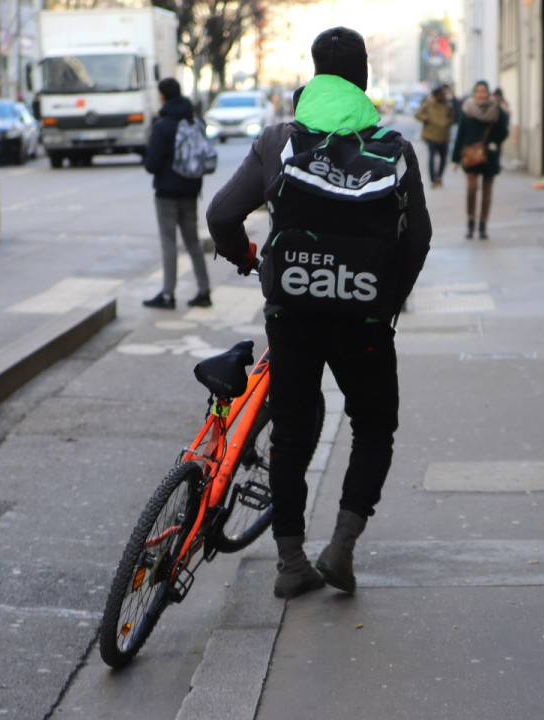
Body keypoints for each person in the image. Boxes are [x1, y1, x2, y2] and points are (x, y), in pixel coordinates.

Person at [206, 27, 432, 599]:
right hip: (363, 317)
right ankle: (342, 549)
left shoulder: (278, 140)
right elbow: (418, 239)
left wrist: (245, 257)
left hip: (292, 310)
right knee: (373, 425)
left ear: (315, 74)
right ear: (363, 78)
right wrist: (385, 302)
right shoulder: (394, 148)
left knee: (290, 430)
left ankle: (290, 562)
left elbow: (221, 215)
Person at [142, 78, 212, 309]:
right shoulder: (194, 120)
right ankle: (204, 291)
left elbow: (152, 164)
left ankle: (168, 295)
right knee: (193, 241)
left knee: (169, 242)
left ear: (162, 96)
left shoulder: (162, 125)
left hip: (166, 193)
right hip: (191, 190)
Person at [452, 80, 509, 240]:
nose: (481, 94)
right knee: (471, 189)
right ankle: (471, 221)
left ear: (487, 93)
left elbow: (504, 130)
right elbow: (460, 133)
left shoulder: (495, 108)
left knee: (487, 192)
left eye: (483, 91)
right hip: (471, 155)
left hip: (490, 155)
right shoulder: (467, 108)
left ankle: (483, 225)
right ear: (474, 93)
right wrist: (455, 157)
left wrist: (494, 142)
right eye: (478, 91)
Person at [414, 85, 455, 188]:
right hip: (431, 135)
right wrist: (427, 118)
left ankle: (439, 177)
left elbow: (453, 118)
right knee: (432, 157)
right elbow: (418, 115)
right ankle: (433, 179)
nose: (442, 97)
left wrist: (447, 122)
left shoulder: (448, 105)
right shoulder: (428, 103)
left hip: (443, 135)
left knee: (443, 158)